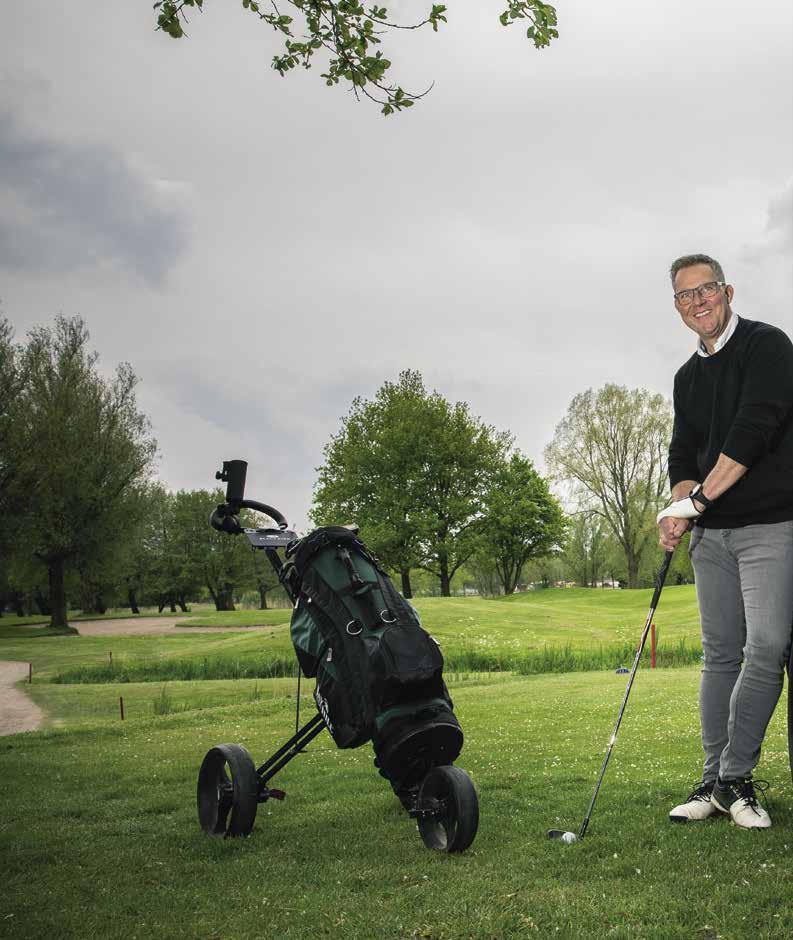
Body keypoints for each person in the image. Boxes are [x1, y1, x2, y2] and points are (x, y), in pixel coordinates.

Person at [656, 253, 793, 829]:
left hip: (770, 526)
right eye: (685, 295)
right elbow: (682, 453)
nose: (698, 302)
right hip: (710, 537)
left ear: (727, 291)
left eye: (706, 289)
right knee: (719, 656)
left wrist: (699, 501)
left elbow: (751, 432)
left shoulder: (768, 346)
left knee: (767, 646)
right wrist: (680, 506)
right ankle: (716, 779)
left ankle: (734, 777)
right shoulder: (686, 378)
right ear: (677, 306)